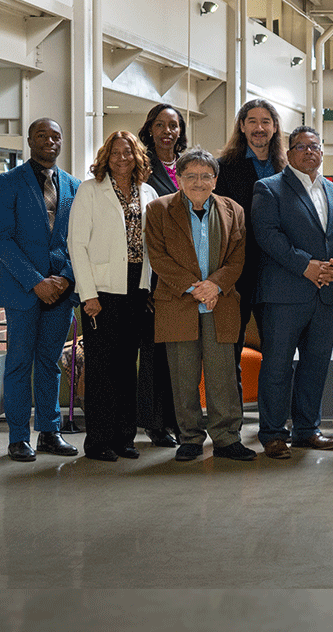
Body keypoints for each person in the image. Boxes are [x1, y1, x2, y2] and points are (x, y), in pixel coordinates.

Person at [251, 127, 333, 460]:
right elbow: (268, 236)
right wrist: (306, 266)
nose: (309, 151)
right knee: (278, 367)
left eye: (315, 146)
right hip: (285, 295)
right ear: (289, 151)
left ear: (322, 151)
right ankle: (272, 433)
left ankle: (307, 430)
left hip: (326, 295)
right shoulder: (269, 189)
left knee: (315, 366)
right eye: (301, 146)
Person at [144, 147, 256, 462]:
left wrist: (215, 285)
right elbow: (158, 257)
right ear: (178, 179)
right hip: (179, 303)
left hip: (220, 303)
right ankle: (190, 438)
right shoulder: (157, 210)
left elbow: (238, 256)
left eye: (205, 176)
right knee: (183, 375)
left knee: (222, 375)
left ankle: (226, 439)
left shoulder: (233, 210)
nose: (198, 182)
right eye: (190, 176)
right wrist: (195, 288)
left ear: (215, 180)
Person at [0, 118, 80, 462]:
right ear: (29, 140)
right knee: (18, 363)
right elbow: (1, 237)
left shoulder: (75, 185)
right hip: (23, 290)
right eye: (42, 135)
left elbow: (80, 240)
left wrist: (66, 278)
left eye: (56, 136)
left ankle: (50, 432)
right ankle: (17, 438)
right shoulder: (8, 182)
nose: (49, 141)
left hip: (61, 290)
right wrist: (35, 282)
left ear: (62, 142)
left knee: (50, 363)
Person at [68, 131, 159, 461]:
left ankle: (124, 437)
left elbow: (151, 244)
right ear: (106, 156)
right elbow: (76, 244)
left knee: (126, 367)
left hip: (135, 288)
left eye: (128, 152)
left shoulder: (146, 191)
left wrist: (147, 287)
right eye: (116, 152)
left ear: (137, 156)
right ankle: (98, 441)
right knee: (101, 368)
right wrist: (88, 294)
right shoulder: (90, 190)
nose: (122, 158)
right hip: (101, 292)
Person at [214, 99, 287, 381]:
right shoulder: (223, 168)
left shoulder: (287, 168)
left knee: (278, 348)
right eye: (253, 121)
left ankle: (274, 418)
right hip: (237, 271)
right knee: (231, 345)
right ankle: (233, 419)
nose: (259, 128)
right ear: (242, 126)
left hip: (277, 270)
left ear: (275, 127)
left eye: (266, 121)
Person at [135, 103, 188, 447]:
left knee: (179, 351)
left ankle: (177, 418)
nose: (167, 131)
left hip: (186, 270)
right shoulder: (141, 169)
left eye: (173, 125)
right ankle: (154, 423)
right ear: (150, 129)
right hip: (153, 272)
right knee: (154, 351)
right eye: (160, 125)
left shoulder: (188, 167)